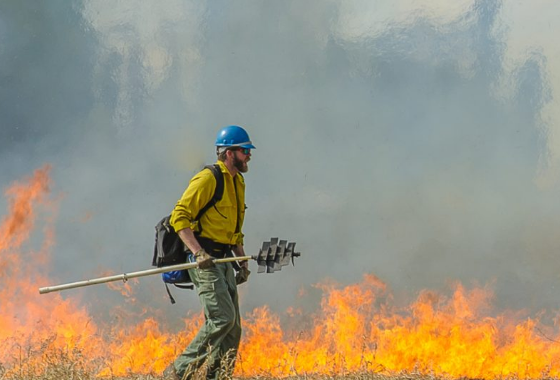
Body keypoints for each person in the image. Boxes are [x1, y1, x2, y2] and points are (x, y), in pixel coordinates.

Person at [163, 125, 255, 380]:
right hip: (204, 261)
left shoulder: (238, 181)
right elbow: (179, 217)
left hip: (224, 260)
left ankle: (217, 377)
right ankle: (175, 373)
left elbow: (234, 229)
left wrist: (242, 261)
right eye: (245, 150)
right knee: (221, 319)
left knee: (233, 329)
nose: (249, 155)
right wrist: (198, 253)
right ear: (229, 152)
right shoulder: (208, 178)